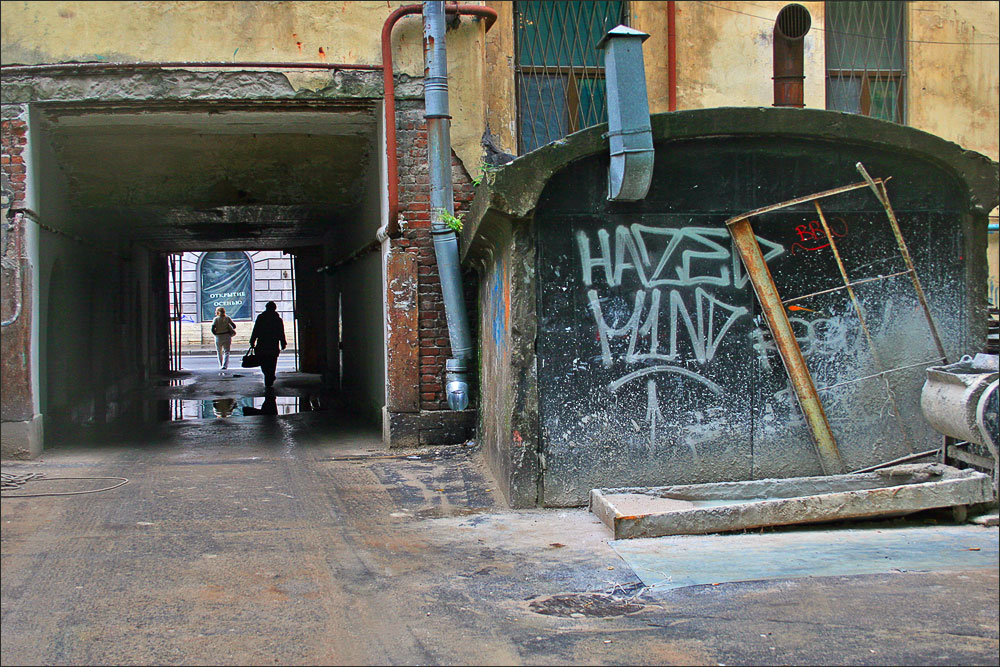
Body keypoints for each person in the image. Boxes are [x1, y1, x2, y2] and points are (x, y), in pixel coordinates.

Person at [249, 301, 287, 387]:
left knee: (263, 362)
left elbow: (256, 330)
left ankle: (268, 376)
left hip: (262, 344)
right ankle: (270, 376)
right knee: (272, 362)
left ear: (266, 308)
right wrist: (283, 343)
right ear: (274, 308)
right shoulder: (277, 319)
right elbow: (281, 332)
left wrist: (252, 341)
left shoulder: (261, 318)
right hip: (273, 344)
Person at [211, 306, 237, 371]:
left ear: (217, 312)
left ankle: (220, 364)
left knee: (219, 352)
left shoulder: (216, 319)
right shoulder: (228, 318)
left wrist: (216, 334)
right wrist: (228, 327)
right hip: (227, 336)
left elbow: (212, 329)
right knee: (227, 351)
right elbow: (234, 326)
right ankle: (224, 366)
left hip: (218, 337)